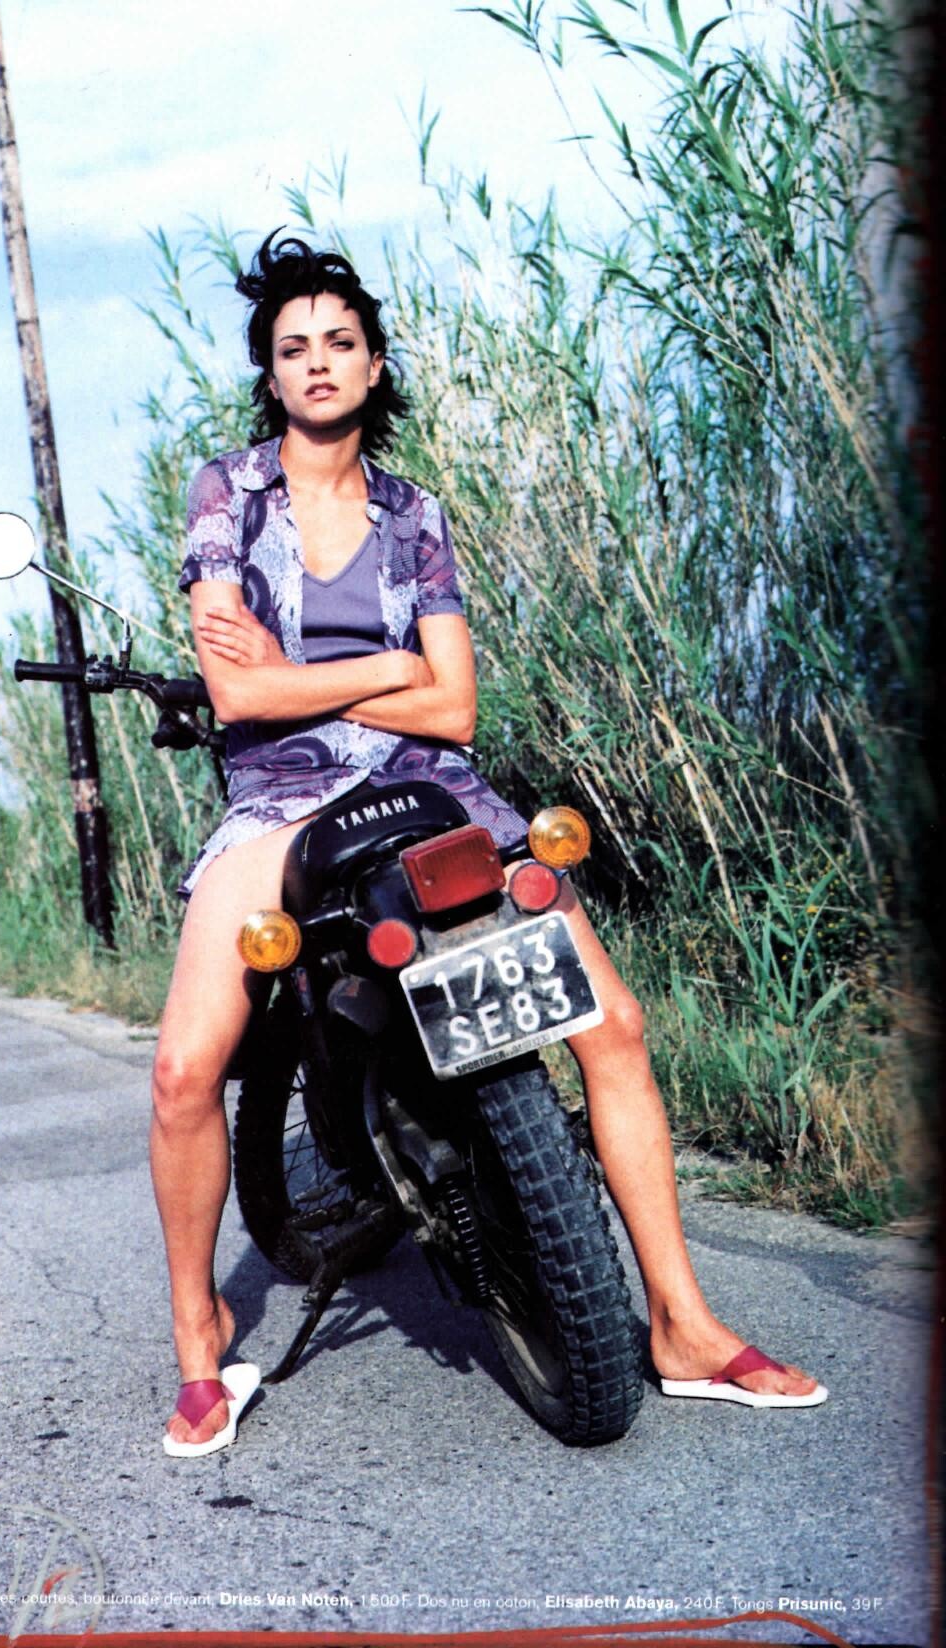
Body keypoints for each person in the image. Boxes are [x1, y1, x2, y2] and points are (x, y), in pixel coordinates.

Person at [152, 231, 824, 1457]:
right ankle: (202, 1343)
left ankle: (682, 1324)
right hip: (279, 800)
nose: (317, 362)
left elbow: (454, 707)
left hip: (431, 784)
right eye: (293, 347)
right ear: (271, 373)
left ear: (373, 366)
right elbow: (237, 694)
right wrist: (390, 666)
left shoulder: (414, 512)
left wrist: (316, 673)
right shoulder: (225, 493)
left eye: (339, 342)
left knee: (613, 1026)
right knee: (185, 1073)